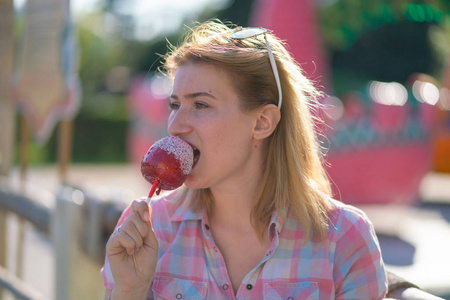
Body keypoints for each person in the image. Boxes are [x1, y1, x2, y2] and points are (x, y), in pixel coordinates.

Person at [101, 20, 387, 299]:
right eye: (175, 104)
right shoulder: (152, 229)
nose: (175, 125)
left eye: (200, 104)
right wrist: (129, 291)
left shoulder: (345, 238)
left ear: (262, 122)